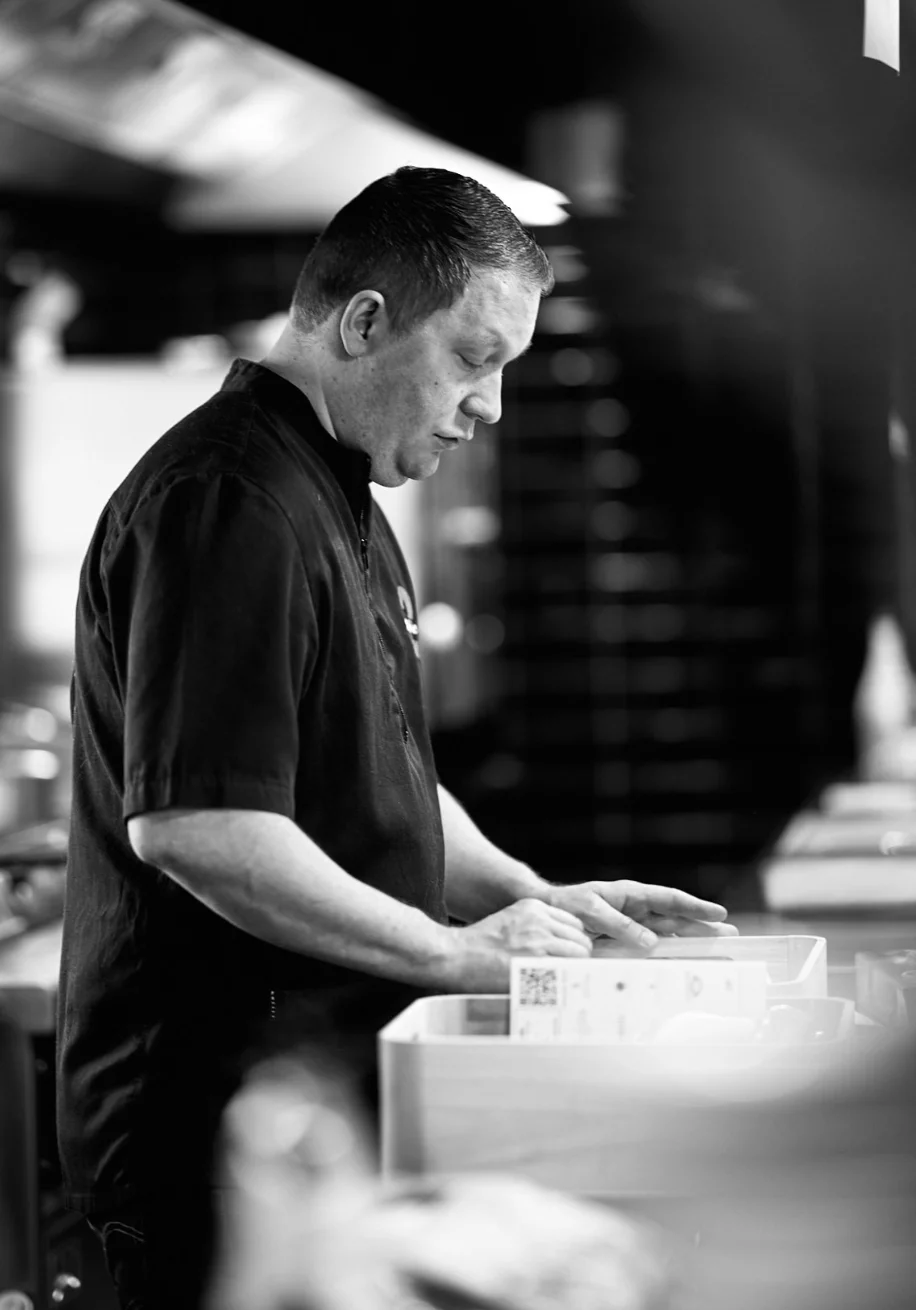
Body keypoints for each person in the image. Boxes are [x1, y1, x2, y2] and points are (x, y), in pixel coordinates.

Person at [56, 166, 736, 1310]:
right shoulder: (230, 498)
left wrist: (531, 897)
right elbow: (201, 828)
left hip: (305, 1108)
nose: (491, 405)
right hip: (214, 1138)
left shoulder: (335, 495)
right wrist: (454, 953)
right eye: (473, 357)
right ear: (365, 322)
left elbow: (381, 773)